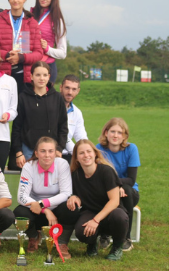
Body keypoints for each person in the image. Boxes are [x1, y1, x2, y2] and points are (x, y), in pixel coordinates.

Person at [12, 136, 76, 259]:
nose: (47, 155)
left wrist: (43, 203)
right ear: (36, 153)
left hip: (57, 213)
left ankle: (62, 243)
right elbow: (21, 196)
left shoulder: (62, 164)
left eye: (50, 151)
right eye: (43, 151)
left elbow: (66, 193)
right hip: (36, 211)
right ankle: (33, 237)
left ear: (56, 152)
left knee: (72, 208)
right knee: (19, 212)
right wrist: (44, 209)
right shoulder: (29, 166)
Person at [65, 139, 130, 261]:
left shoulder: (106, 171)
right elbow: (71, 193)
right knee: (81, 232)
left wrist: (95, 220)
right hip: (90, 212)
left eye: (89, 151)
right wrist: (73, 196)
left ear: (95, 154)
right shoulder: (76, 175)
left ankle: (117, 247)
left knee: (120, 217)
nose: (86, 155)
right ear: (76, 158)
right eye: (81, 153)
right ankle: (92, 243)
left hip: (111, 212)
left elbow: (115, 201)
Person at [12, 62, 68, 170]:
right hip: (28, 149)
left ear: (49, 77)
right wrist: (18, 152)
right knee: (29, 185)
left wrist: (59, 149)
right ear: (31, 76)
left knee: (51, 184)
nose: (41, 78)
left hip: (51, 151)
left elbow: (63, 126)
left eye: (45, 75)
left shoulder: (57, 98)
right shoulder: (23, 98)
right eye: (38, 75)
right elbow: (16, 127)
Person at [0, 0, 45, 83]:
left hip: (25, 76)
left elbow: (38, 53)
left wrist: (21, 57)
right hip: (2, 73)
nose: (15, 0)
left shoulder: (32, 23)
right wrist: (7, 55)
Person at [95, 118, 139, 251]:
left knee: (125, 190)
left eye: (119, 132)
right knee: (101, 192)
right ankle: (104, 234)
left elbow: (131, 179)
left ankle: (126, 237)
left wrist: (117, 186)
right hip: (108, 189)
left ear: (124, 136)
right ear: (106, 133)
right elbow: (99, 177)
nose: (115, 135)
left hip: (128, 192)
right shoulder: (99, 149)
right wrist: (114, 187)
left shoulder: (131, 149)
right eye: (112, 131)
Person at [31, 0, 68, 84]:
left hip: (47, 68)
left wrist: (47, 49)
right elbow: (24, 42)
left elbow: (63, 53)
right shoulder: (29, 15)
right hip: (29, 67)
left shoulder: (57, 20)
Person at [59, 74, 88, 161]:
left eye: (74, 89)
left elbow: (81, 138)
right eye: (67, 88)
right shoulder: (52, 106)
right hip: (53, 153)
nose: (70, 92)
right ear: (61, 88)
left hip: (69, 154)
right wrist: (77, 154)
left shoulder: (77, 112)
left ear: (78, 91)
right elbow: (61, 134)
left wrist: (88, 152)